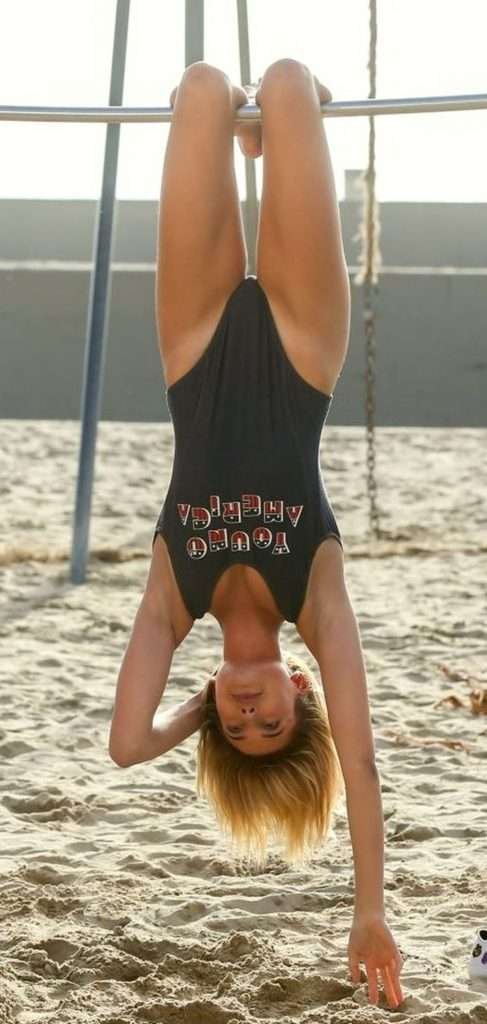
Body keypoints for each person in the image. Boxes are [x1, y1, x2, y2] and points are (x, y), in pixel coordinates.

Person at [108, 59, 404, 1010]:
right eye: (269, 718)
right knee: (282, 82)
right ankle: (273, 135)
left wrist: (191, 713)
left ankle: (244, 142)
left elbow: (121, 746)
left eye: (237, 727)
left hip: (189, 351)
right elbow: (355, 765)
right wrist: (369, 909)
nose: (247, 711)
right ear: (297, 687)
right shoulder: (316, 604)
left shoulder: (172, 598)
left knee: (198, 85)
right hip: (302, 352)